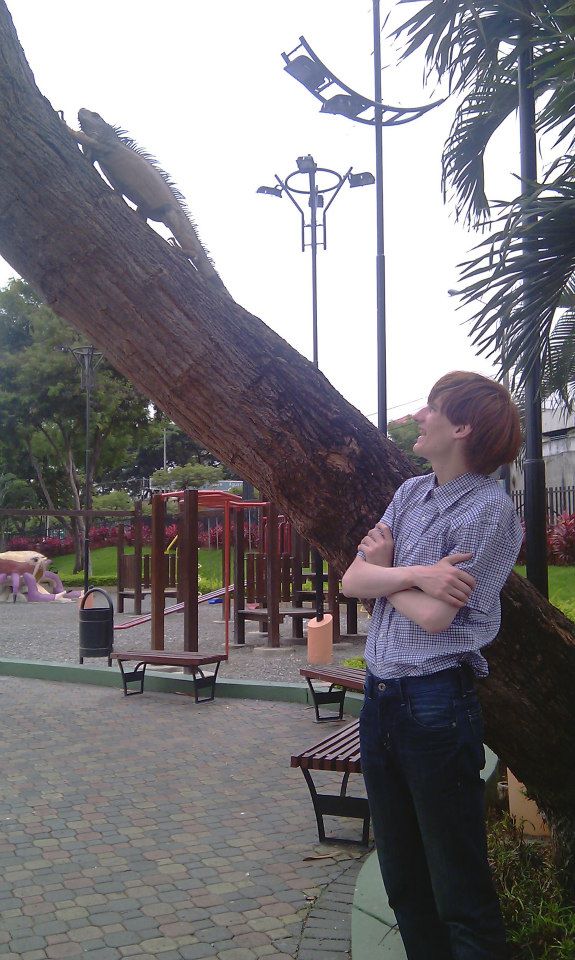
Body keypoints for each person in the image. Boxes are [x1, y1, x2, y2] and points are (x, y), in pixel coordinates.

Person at [342, 371, 523, 960]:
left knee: (458, 888)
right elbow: (351, 580)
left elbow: (435, 618)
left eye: (432, 407)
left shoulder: (490, 511)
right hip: (380, 701)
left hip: (436, 706)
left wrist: (386, 572)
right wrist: (417, 573)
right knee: (404, 880)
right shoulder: (411, 493)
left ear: (462, 427)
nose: (419, 416)